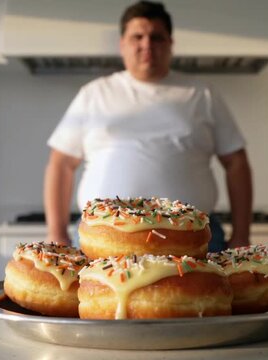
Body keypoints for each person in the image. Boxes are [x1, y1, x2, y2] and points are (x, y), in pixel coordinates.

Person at [44, 0, 252, 251]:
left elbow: (236, 162)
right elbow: (61, 164)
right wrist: (56, 234)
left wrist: (242, 235)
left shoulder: (202, 93)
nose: (147, 45)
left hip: (193, 237)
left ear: (170, 44)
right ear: (122, 44)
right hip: (103, 237)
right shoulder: (94, 94)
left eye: (157, 37)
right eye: (137, 37)